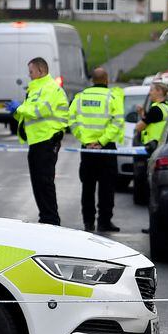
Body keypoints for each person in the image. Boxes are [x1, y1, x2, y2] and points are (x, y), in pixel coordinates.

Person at [9, 57, 70, 225]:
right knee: (38, 183)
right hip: (37, 141)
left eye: (31, 72)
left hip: (47, 140)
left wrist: (19, 108)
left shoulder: (49, 88)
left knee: (44, 182)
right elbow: (29, 113)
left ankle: (50, 219)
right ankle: (46, 217)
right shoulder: (36, 88)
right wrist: (16, 112)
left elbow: (40, 110)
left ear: (41, 71)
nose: (29, 75)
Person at [69, 67, 124, 233]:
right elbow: (118, 122)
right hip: (106, 149)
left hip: (87, 150)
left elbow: (72, 121)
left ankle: (88, 222)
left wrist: (86, 141)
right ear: (106, 80)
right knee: (107, 187)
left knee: (88, 187)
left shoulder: (80, 97)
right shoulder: (112, 97)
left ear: (92, 80)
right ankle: (104, 222)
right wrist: (102, 141)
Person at [135, 82, 168, 155]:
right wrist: (142, 113)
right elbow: (152, 120)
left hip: (153, 146)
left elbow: (139, 127)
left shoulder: (156, 109)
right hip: (163, 145)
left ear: (159, 91)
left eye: (151, 90)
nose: (150, 93)